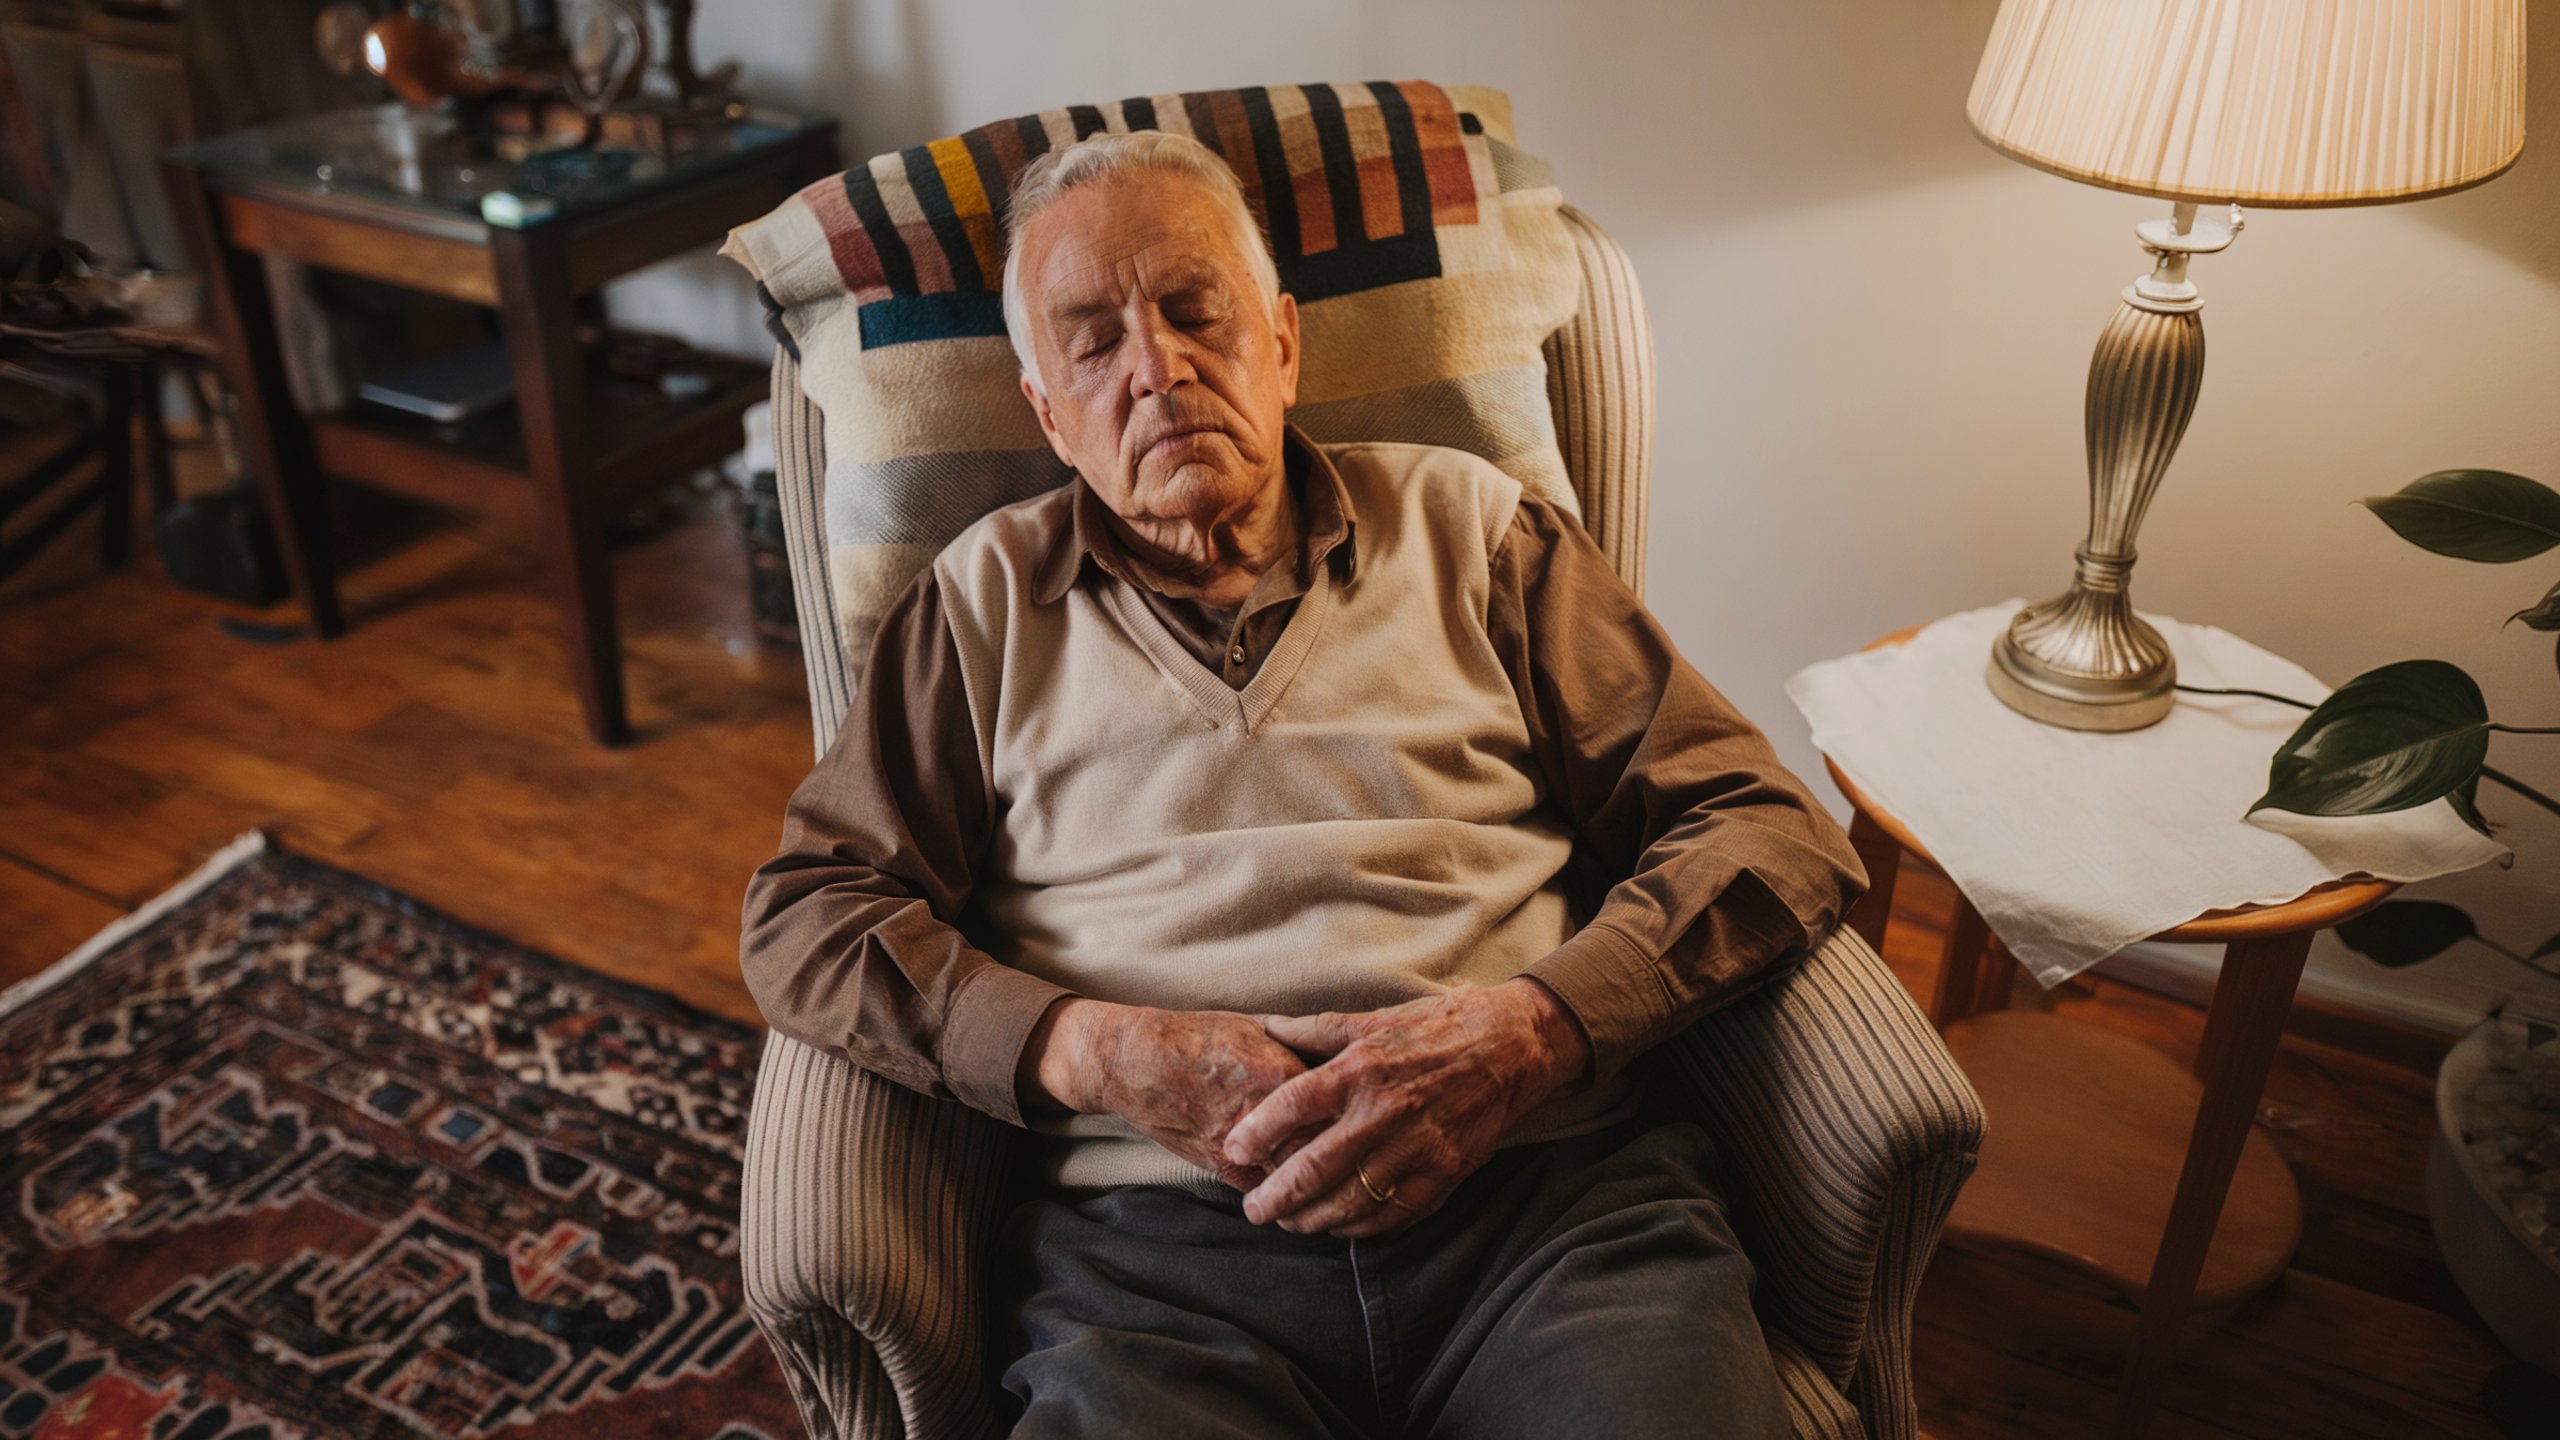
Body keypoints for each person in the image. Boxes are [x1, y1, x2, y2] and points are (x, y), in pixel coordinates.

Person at [740, 129, 1866, 1439]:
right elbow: (807, 914)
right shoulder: (981, 605)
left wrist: (1536, 1028)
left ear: (1282, 343)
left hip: (1550, 1216)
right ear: (1047, 413)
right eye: (1092, 341)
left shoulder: (1478, 530)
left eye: (1193, 309)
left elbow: (1762, 825)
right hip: (1160, 1275)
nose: (1155, 368)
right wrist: (1091, 1047)